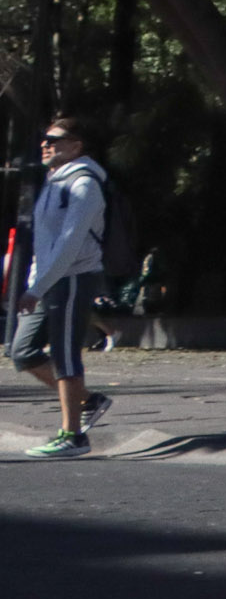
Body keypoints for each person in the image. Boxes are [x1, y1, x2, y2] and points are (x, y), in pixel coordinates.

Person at [12, 117, 115, 459]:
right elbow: (45, 243)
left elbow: (70, 244)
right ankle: (89, 399)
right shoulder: (53, 182)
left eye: (55, 140)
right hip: (48, 280)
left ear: (76, 146)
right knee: (22, 351)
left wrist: (37, 287)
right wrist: (35, 282)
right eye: (45, 139)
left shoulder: (84, 185)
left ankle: (72, 436)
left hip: (72, 277)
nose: (46, 144)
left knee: (65, 354)